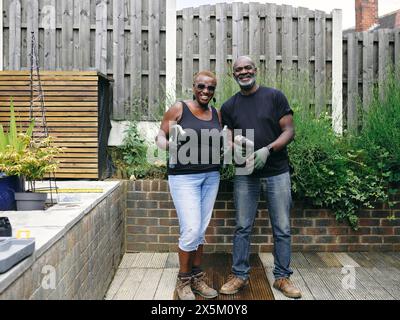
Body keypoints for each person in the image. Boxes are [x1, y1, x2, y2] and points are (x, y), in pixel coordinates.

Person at [219, 56, 302, 299]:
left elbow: (289, 130)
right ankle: (239, 276)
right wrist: (231, 147)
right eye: (238, 70)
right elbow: (227, 136)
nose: (244, 72)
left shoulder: (274, 96)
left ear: (256, 70)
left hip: (277, 171)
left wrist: (268, 150)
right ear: (233, 74)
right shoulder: (229, 106)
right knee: (243, 226)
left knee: (282, 227)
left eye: (247, 68)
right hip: (246, 173)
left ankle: (282, 277)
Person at [155, 71, 222, 300]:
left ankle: (197, 277)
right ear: (194, 87)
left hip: (211, 176)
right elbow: (160, 137)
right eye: (201, 86)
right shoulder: (179, 109)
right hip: (184, 178)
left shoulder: (216, 113)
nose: (206, 91)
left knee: (200, 230)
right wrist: (170, 146)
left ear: (214, 91)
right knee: (191, 228)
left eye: (210, 88)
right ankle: (183, 279)